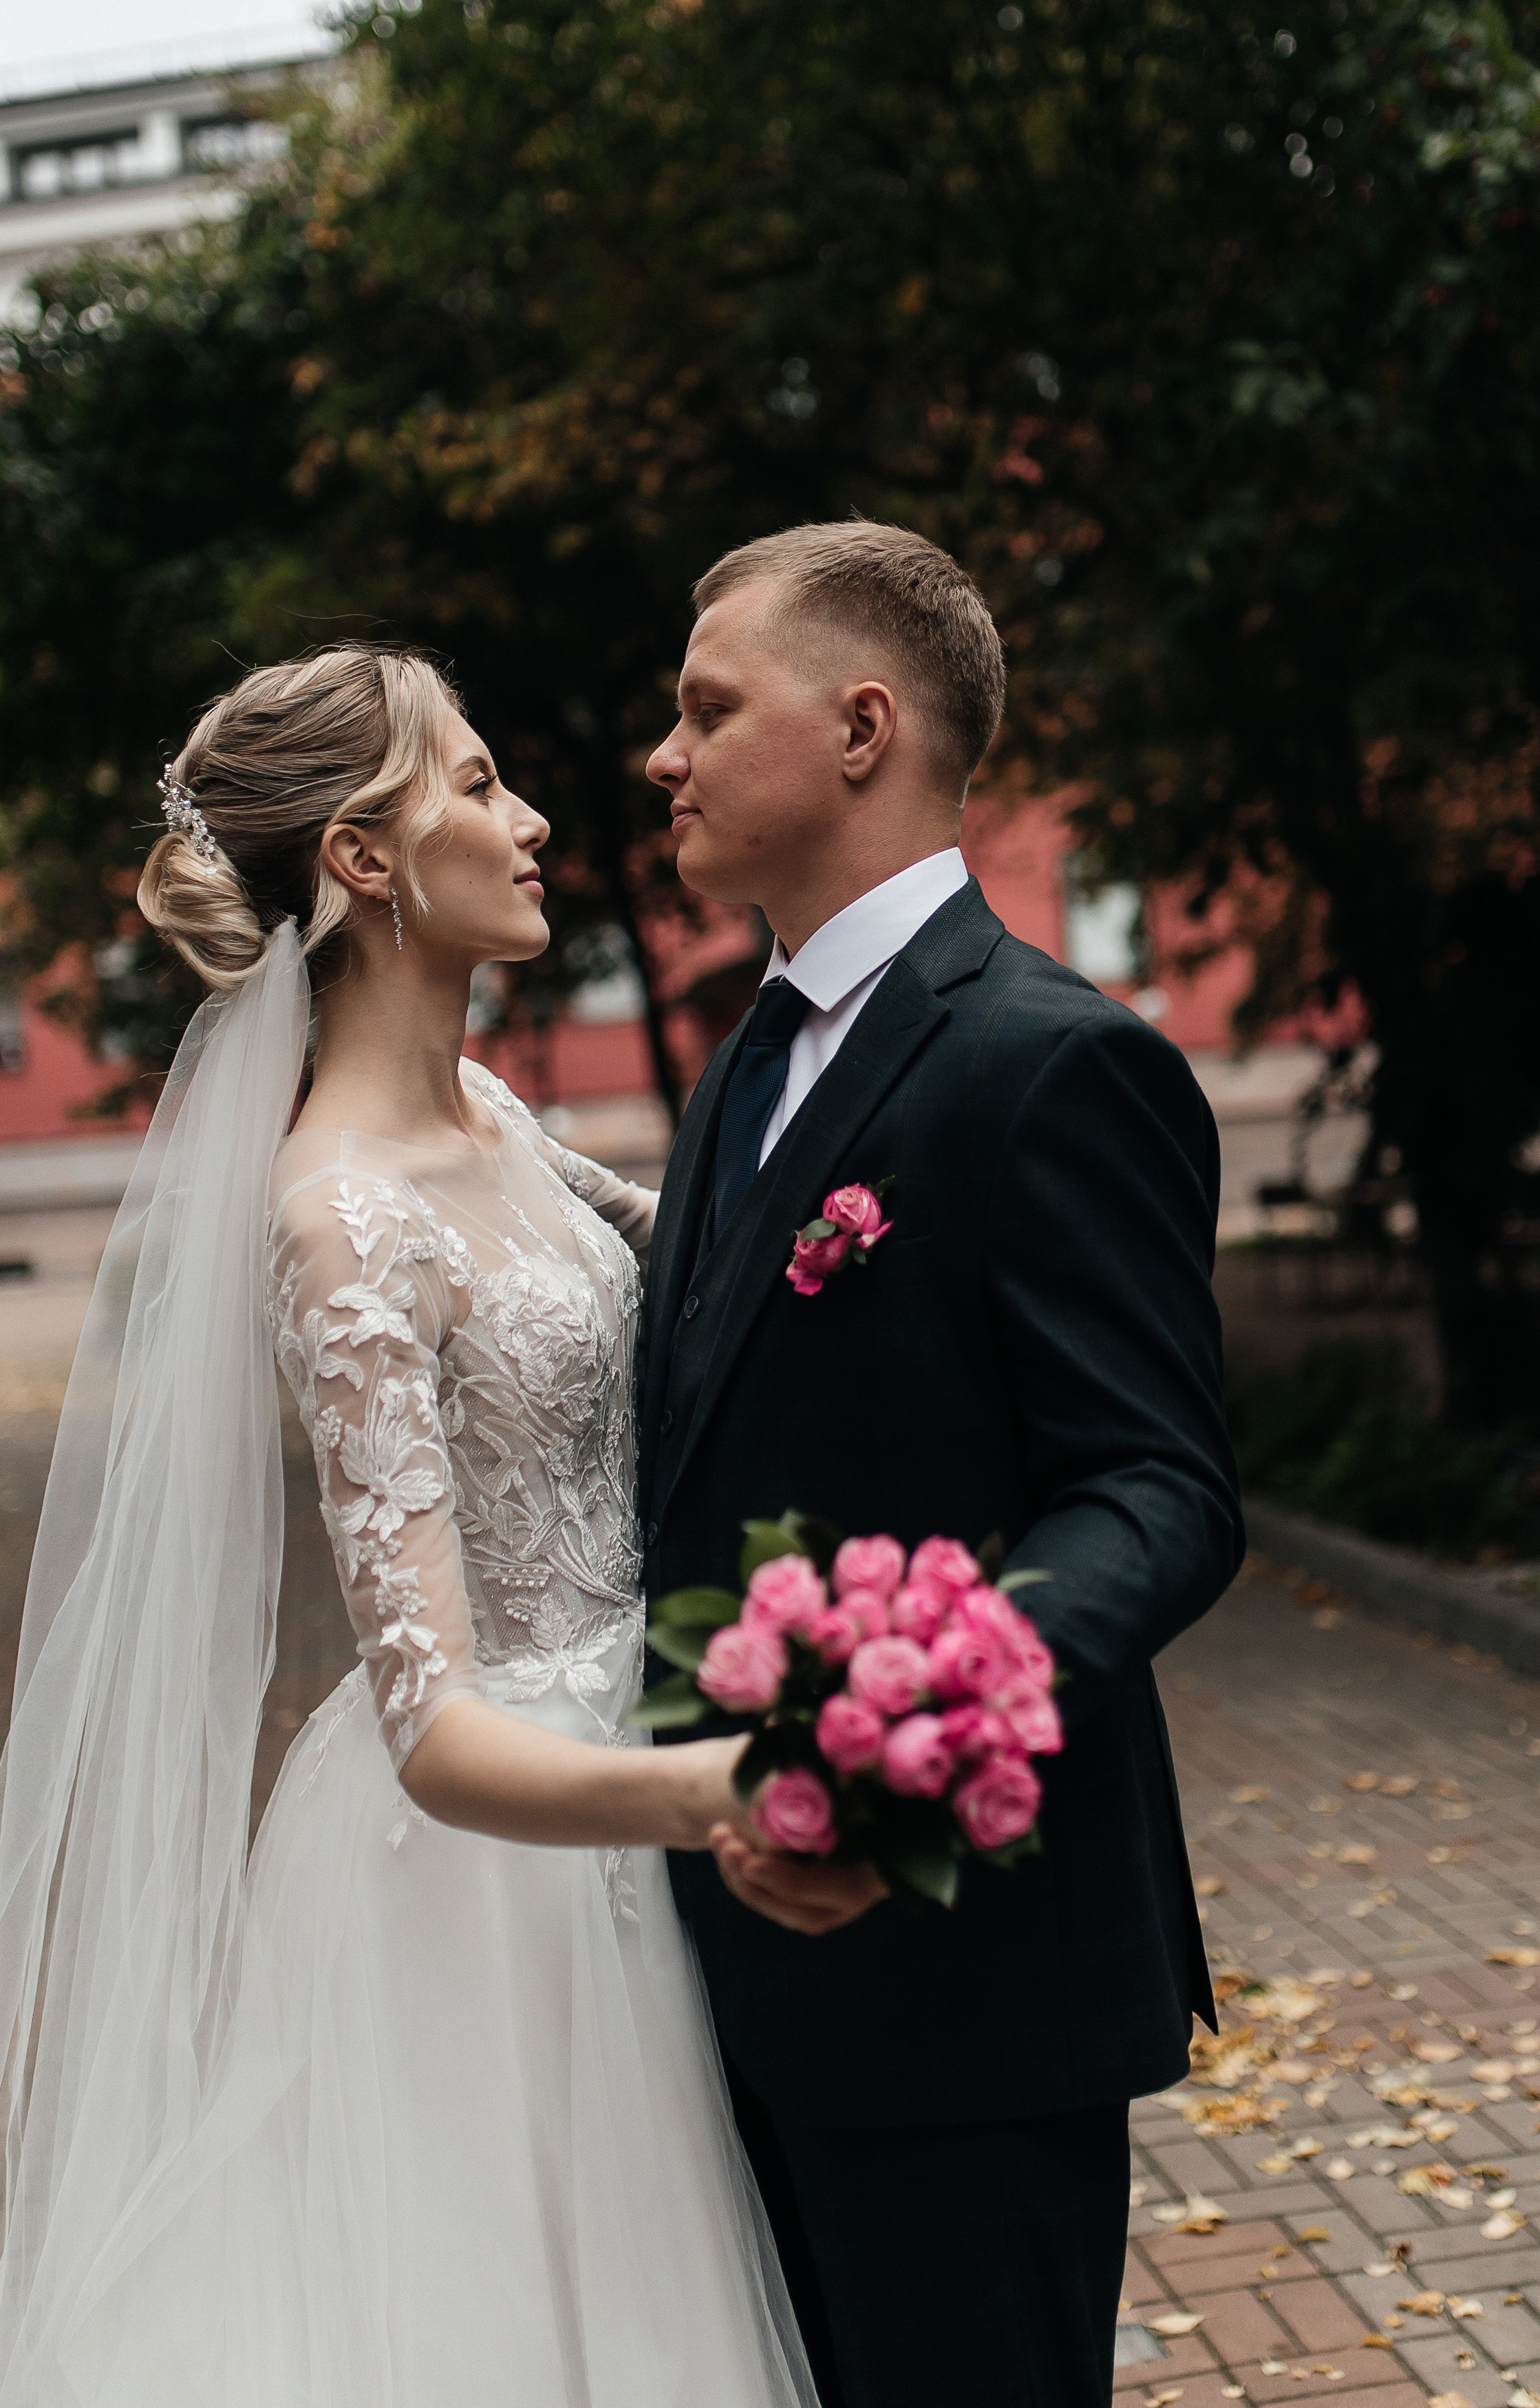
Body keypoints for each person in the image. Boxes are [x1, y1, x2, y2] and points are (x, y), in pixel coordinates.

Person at [0, 646, 817, 2408]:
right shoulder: (341, 1217)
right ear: (362, 855)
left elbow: (726, 1287)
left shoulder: (490, 1112)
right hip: (511, 1895)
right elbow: (433, 1731)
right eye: (480, 782)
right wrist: (742, 1788)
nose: (533, 815)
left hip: (634, 1752)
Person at [639, 521, 1243, 2408]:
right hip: (721, 1973)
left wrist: (883, 1745)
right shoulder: (741, 1064)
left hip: (957, 1960)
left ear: (859, 726)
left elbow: (1151, 1487)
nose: (662, 756)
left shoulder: (1053, 1064)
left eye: (704, 706)